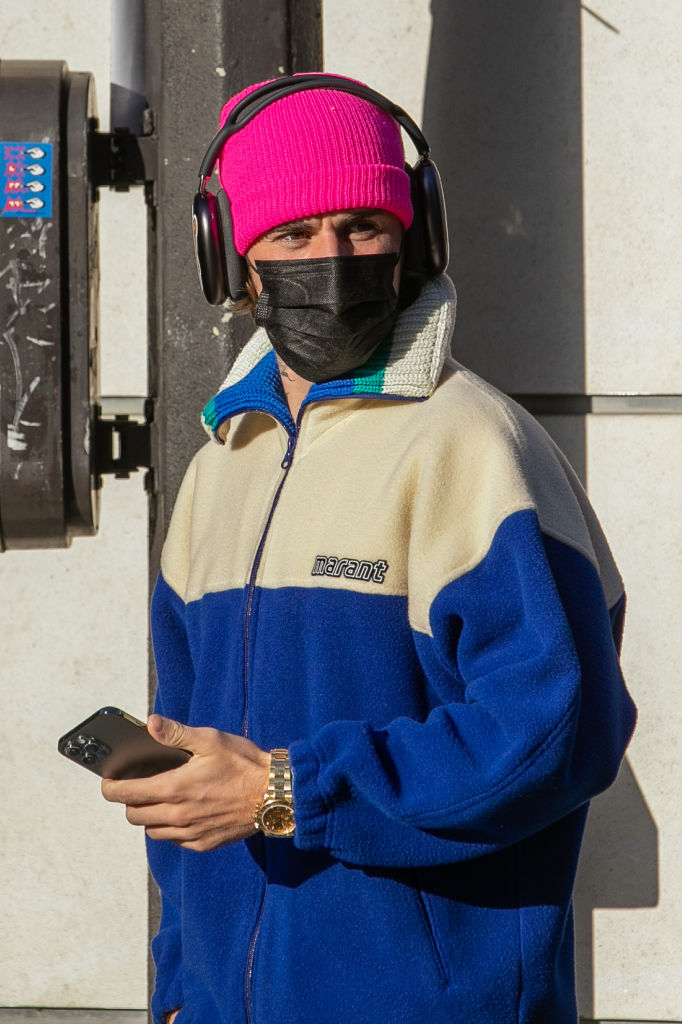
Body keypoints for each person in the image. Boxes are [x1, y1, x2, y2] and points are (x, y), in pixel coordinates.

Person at [102, 74, 636, 1024]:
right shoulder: (218, 472)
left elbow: (556, 733)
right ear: (233, 257)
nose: (333, 257)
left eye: (362, 226)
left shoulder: (476, 447)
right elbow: (189, 772)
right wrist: (182, 987)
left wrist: (285, 792)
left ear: (412, 241)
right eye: (294, 233)